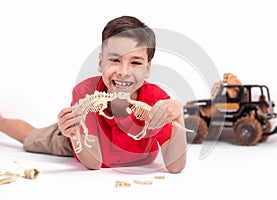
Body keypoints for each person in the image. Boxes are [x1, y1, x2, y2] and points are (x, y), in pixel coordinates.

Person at [0, 16, 187, 173]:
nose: (123, 71)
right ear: (100, 63)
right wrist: (74, 134)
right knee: (30, 137)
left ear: (147, 69)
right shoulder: (85, 93)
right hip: (79, 140)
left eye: (135, 63)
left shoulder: (156, 101)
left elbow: (176, 167)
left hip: (120, 151)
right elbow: (94, 163)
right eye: (115, 59)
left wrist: (178, 115)